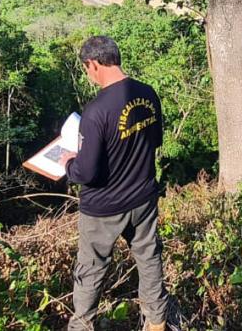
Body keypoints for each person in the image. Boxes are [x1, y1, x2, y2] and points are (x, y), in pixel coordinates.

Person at [58, 35, 170, 331]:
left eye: (86, 68)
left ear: (93, 65)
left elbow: (87, 173)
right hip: (143, 197)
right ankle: (156, 322)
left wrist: (68, 162)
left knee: (92, 269)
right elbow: (154, 142)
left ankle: (82, 325)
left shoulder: (95, 112)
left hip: (103, 207)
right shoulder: (147, 93)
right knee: (149, 258)